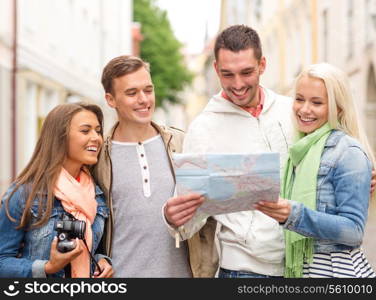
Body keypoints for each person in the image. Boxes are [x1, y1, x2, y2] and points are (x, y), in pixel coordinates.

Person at [164, 24, 294, 278]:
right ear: (215, 70)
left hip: (301, 265)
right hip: (243, 269)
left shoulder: (290, 111)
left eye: (246, 72)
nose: (237, 85)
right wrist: (173, 217)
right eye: (227, 74)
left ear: (262, 65)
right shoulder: (204, 128)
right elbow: (190, 221)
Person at [93, 55, 217, 277]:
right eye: (132, 93)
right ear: (111, 100)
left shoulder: (182, 144)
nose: (144, 99)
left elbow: (208, 216)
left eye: (148, 90)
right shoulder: (98, 157)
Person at [254, 63, 376, 278]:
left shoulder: (348, 151)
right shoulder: (300, 150)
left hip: (337, 271)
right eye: (300, 99)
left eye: (317, 102)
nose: (304, 109)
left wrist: (295, 214)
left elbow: (354, 231)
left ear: (338, 108)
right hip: (305, 270)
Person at [0, 102, 113, 278]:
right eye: (85, 131)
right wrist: (48, 267)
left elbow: (93, 247)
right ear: (60, 137)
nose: (96, 138)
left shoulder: (96, 195)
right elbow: (2, 261)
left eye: (98, 131)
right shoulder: (24, 194)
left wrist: (102, 260)